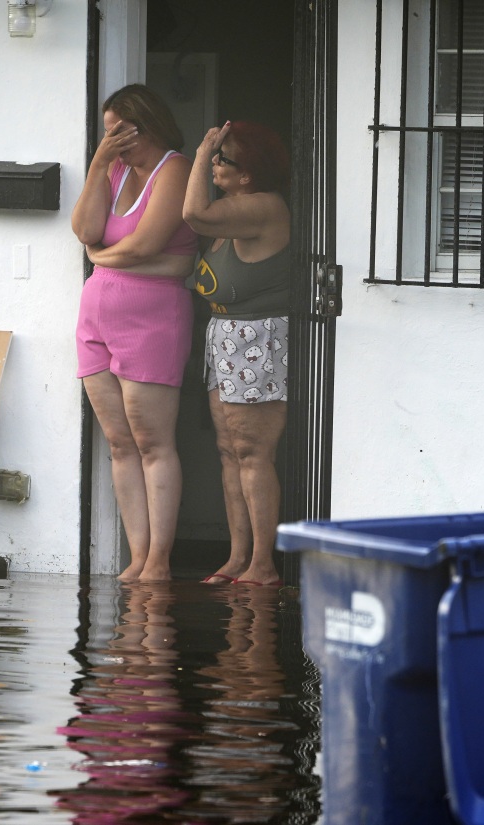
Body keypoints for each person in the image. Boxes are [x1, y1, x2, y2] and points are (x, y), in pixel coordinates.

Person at [71, 84, 198, 582]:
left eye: (115, 132)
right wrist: (98, 165)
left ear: (140, 125)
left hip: (152, 321)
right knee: (118, 443)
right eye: (106, 134)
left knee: (152, 441)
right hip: (97, 319)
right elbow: (84, 229)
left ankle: (160, 561)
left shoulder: (176, 168)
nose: (111, 140)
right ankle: (138, 556)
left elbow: (145, 245)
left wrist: (102, 257)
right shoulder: (115, 168)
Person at [182, 121, 291, 587]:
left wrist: (199, 150)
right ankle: (237, 558)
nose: (213, 163)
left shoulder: (262, 207)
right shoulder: (232, 210)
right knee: (229, 452)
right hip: (223, 336)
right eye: (215, 154)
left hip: (257, 337)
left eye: (223, 158)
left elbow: (192, 214)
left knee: (252, 452)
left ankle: (263, 565)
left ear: (248, 174)